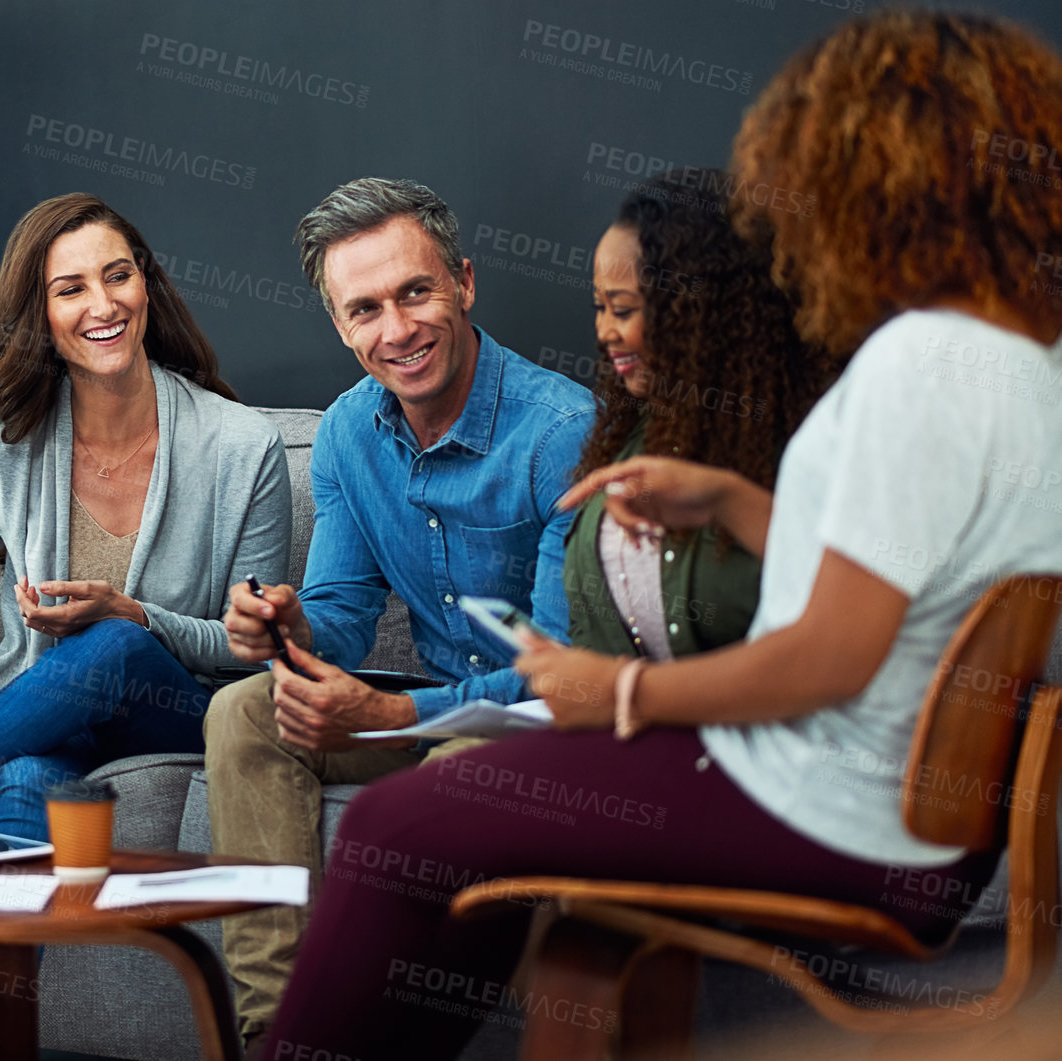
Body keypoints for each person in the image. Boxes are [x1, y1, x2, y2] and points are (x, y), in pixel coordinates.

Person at [261, 12, 1062, 1059]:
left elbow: (832, 652)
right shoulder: (1012, 359)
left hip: (839, 814)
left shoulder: (917, 362)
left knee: (394, 825)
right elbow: (900, 582)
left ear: (888, 168)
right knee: (466, 843)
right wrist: (733, 505)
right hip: (897, 815)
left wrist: (623, 694)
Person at [203, 177, 594, 1056]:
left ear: (463, 282)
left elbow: (562, 665)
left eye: (416, 292)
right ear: (341, 326)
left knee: (458, 765)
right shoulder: (347, 433)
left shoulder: (561, 429)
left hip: (547, 731)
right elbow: (340, 614)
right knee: (242, 712)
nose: (398, 329)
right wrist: (289, 626)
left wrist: (386, 714)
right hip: (429, 716)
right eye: (366, 308)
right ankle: (279, 1035)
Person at [0, 193, 291, 1022]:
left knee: (113, 649)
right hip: (46, 726)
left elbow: (253, 651)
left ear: (148, 287)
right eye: (71, 289)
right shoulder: (3, 440)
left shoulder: (242, 447)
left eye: (118, 276)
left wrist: (137, 616)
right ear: (40, 314)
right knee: (23, 782)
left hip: (180, 709)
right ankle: (1, 1046)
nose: (102, 305)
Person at [567, 168, 835, 658]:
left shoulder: (805, 455)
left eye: (623, 310)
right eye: (598, 308)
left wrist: (630, 693)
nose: (606, 331)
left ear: (697, 312)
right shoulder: (626, 435)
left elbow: (835, 630)